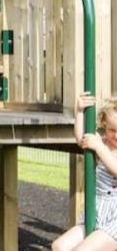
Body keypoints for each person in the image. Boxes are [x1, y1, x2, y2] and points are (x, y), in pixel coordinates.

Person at [53, 93, 117, 251]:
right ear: (104, 125)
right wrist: (80, 112)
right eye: (112, 130)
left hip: (115, 220)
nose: (116, 135)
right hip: (97, 212)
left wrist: (99, 148)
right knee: (59, 247)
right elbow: (82, 138)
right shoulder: (101, 143)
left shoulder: (100, 147)